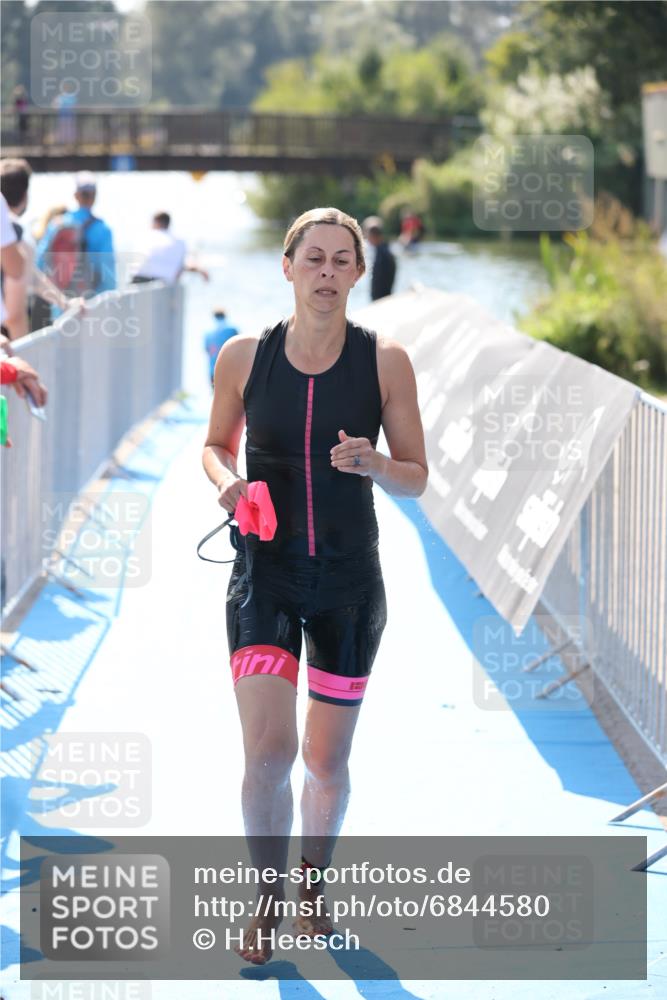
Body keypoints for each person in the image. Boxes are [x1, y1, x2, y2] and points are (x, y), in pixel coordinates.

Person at [202, 206, 428, 965]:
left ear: (358, 274)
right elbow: (212, 447)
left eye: (341, 261)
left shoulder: (384, 362)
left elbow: (417, 480)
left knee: (325, 762)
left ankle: (311, 892)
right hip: (262, 577)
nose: (326, 273)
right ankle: (265, 904)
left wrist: (374, 463)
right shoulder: (242, 356)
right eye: (314, 259)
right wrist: (231, 487)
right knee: (267, 753)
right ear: (287, 265)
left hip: (347, 586)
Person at [0, 158, 84, 339]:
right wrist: (21, 354)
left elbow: (28, 273)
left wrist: (64, 302)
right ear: (25, 195)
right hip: (6, 338)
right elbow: (14, 310)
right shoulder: (14, 231)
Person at [35, 171, 116, 316]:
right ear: (94, 197)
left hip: (61, 306)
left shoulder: (57, 224)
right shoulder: (103, 229)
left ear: (76, 195)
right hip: (91, 307)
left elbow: (40, 264)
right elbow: (108, 276)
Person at [130, 212, 209, 285]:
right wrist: (200, 270)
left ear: (156, 222)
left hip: (138, 281)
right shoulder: (180, 241)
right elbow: (181, 266)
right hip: (163, 284)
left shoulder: (144, 237)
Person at [362, 215, 396, 300]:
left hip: (381, 300)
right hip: (384, 298)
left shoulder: (382, 254)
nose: (366, 237)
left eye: (367, 234)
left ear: (372, 235)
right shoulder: (385, 250)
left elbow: (379, 281)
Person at [203, 308, 239, 387]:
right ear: (225, 316)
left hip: (213, 371)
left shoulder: (207, 332)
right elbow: (240, 348)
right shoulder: (232, 330)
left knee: (215, 395)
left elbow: (207, 350)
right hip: (230, 370)